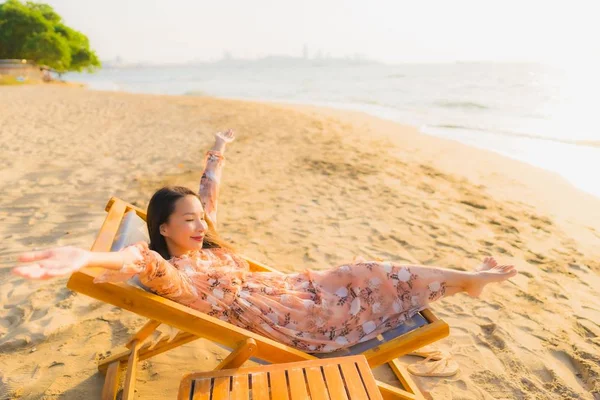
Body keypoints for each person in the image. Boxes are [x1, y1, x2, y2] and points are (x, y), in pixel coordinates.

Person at [12, 130, 517, 353]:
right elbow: (137, 259)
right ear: (162, 228)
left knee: (362, 269)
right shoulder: (177, 273)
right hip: (300, 322)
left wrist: (218, 151)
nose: (199, 225)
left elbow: (208, 200)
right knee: (370, 276)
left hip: (301, 287)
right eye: (186, 221)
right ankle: (468, 282)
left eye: (198, 220)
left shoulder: (201, 244)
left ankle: (464, 282)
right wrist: (88, 256)